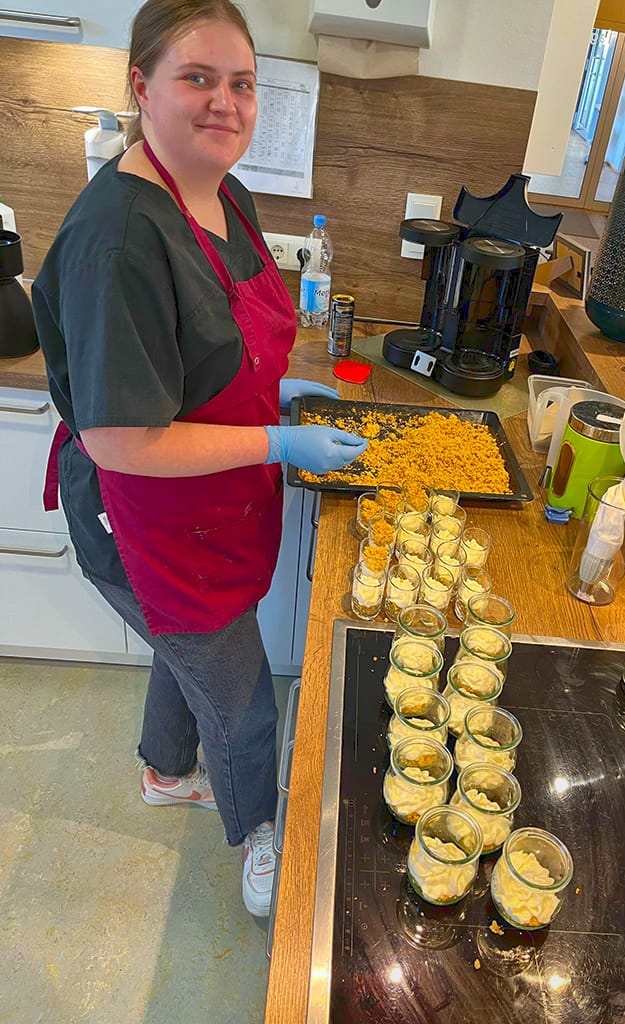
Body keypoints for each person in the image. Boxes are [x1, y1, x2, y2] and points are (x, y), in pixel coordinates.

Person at [32, 0, 366, 917]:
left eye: (242, 83)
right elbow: (122, 438)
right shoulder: (119, 240)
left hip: (217, 506)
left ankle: (165, 769)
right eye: (198, 78)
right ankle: (259, 832)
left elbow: (215, 342)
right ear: (142, 87)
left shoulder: (223, 191)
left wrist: (275, 389)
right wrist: (279, 440)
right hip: (149, 522)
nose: (226, 102)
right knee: (244, 700)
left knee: (193, 653)